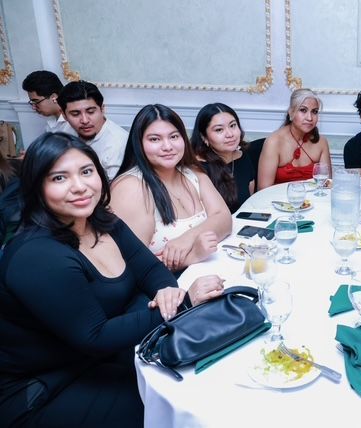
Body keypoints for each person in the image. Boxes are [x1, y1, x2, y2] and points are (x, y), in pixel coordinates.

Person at [0, 133, 224, 426]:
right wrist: (183, 303)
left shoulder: (103, 221)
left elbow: (149, 270)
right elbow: (96, 337)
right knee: (167, 406)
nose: (79, 186)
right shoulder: (38, 255)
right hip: (42, 387)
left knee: (201, 371)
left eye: (86, 171)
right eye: (59, 178)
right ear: (37, 187)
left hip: (97, 358)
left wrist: (169, 292)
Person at [110, 104, 232, 275]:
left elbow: (224, 219)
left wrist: (187, 239)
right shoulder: (132, 188)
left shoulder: (191, 172)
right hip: (167, 286)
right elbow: (128, 266)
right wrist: (191, 256)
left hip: (205, 274)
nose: (167, 146)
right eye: (155, 139)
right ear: (139, 143)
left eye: (174, 136)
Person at [258, 88, 331, 189]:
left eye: (314, 112)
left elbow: (326, 185)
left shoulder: (321, 142)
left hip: (313, 198)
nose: (309, 118)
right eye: (303, 110)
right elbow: (263, 189)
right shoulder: (274, 142)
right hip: (278, 198)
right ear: (291, 112)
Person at [191, 103, 255, 213]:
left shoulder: (243, 156)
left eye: (232, 125)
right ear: (204, 137)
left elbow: (250, 201)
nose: (230, 134)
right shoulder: (197, 168)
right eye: (219, 130)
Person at [58, 80, 127, 180]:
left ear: (102, 109)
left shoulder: (118, 145)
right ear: (64, 115)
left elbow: (118, 187)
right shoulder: (65, 129)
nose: (85, 120)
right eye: (75, 114)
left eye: (90, 112)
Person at [21, 70, 76, 135]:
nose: (33, 107)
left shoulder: (74, 123)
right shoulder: (50, 122)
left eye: (36, 102)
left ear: (54, 97)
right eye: (32, 102)